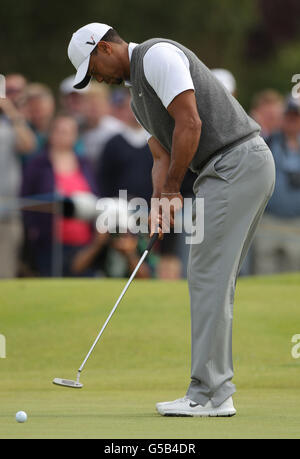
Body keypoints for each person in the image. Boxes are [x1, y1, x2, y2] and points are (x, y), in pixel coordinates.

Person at [67, 22, 276, 417]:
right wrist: (160, 200)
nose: (96, 78)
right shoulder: (136, 99)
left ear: (104, 49)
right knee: (212, 276)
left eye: (93, 68)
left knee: (207, 275)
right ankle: (213, 390)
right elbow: (161, 156)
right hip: (226, 169)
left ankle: (210, 394)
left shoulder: (157, 56)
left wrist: (174, 190)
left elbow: (191, 123)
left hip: (236, 162)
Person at [21, 115, 98, 277]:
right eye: (60, 131)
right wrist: (33, 230)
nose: (64, 136)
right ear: (51, 134)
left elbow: (95, 196)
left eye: (69, 132)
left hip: (83, 242)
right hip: (49, 243)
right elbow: (26, 199)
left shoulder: (84, 163)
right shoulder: (38, 164)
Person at [253, 97, 300, 273]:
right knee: (263, 274)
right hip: (268, 221)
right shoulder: (267, 142)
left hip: (296, 225)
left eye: (296, 117)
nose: (292, 121)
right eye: (289, 116)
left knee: (293, 278)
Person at [0, 75, 36, 278]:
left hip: (6, 214)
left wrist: (10, 110)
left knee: (4, 278)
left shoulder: (10, 124)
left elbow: (28, 145)